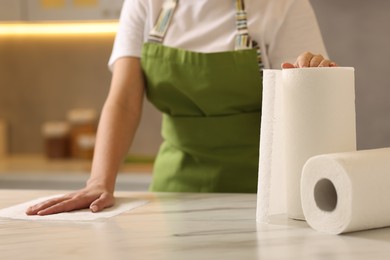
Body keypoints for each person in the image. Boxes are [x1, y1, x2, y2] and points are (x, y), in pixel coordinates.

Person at [26, 0, 336, 216]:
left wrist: (314, 72)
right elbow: (123, 101)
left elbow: (306, 91)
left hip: (262, 192)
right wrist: (99, 182)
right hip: (173, 192)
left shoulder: (283, 4)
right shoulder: (146, 3)